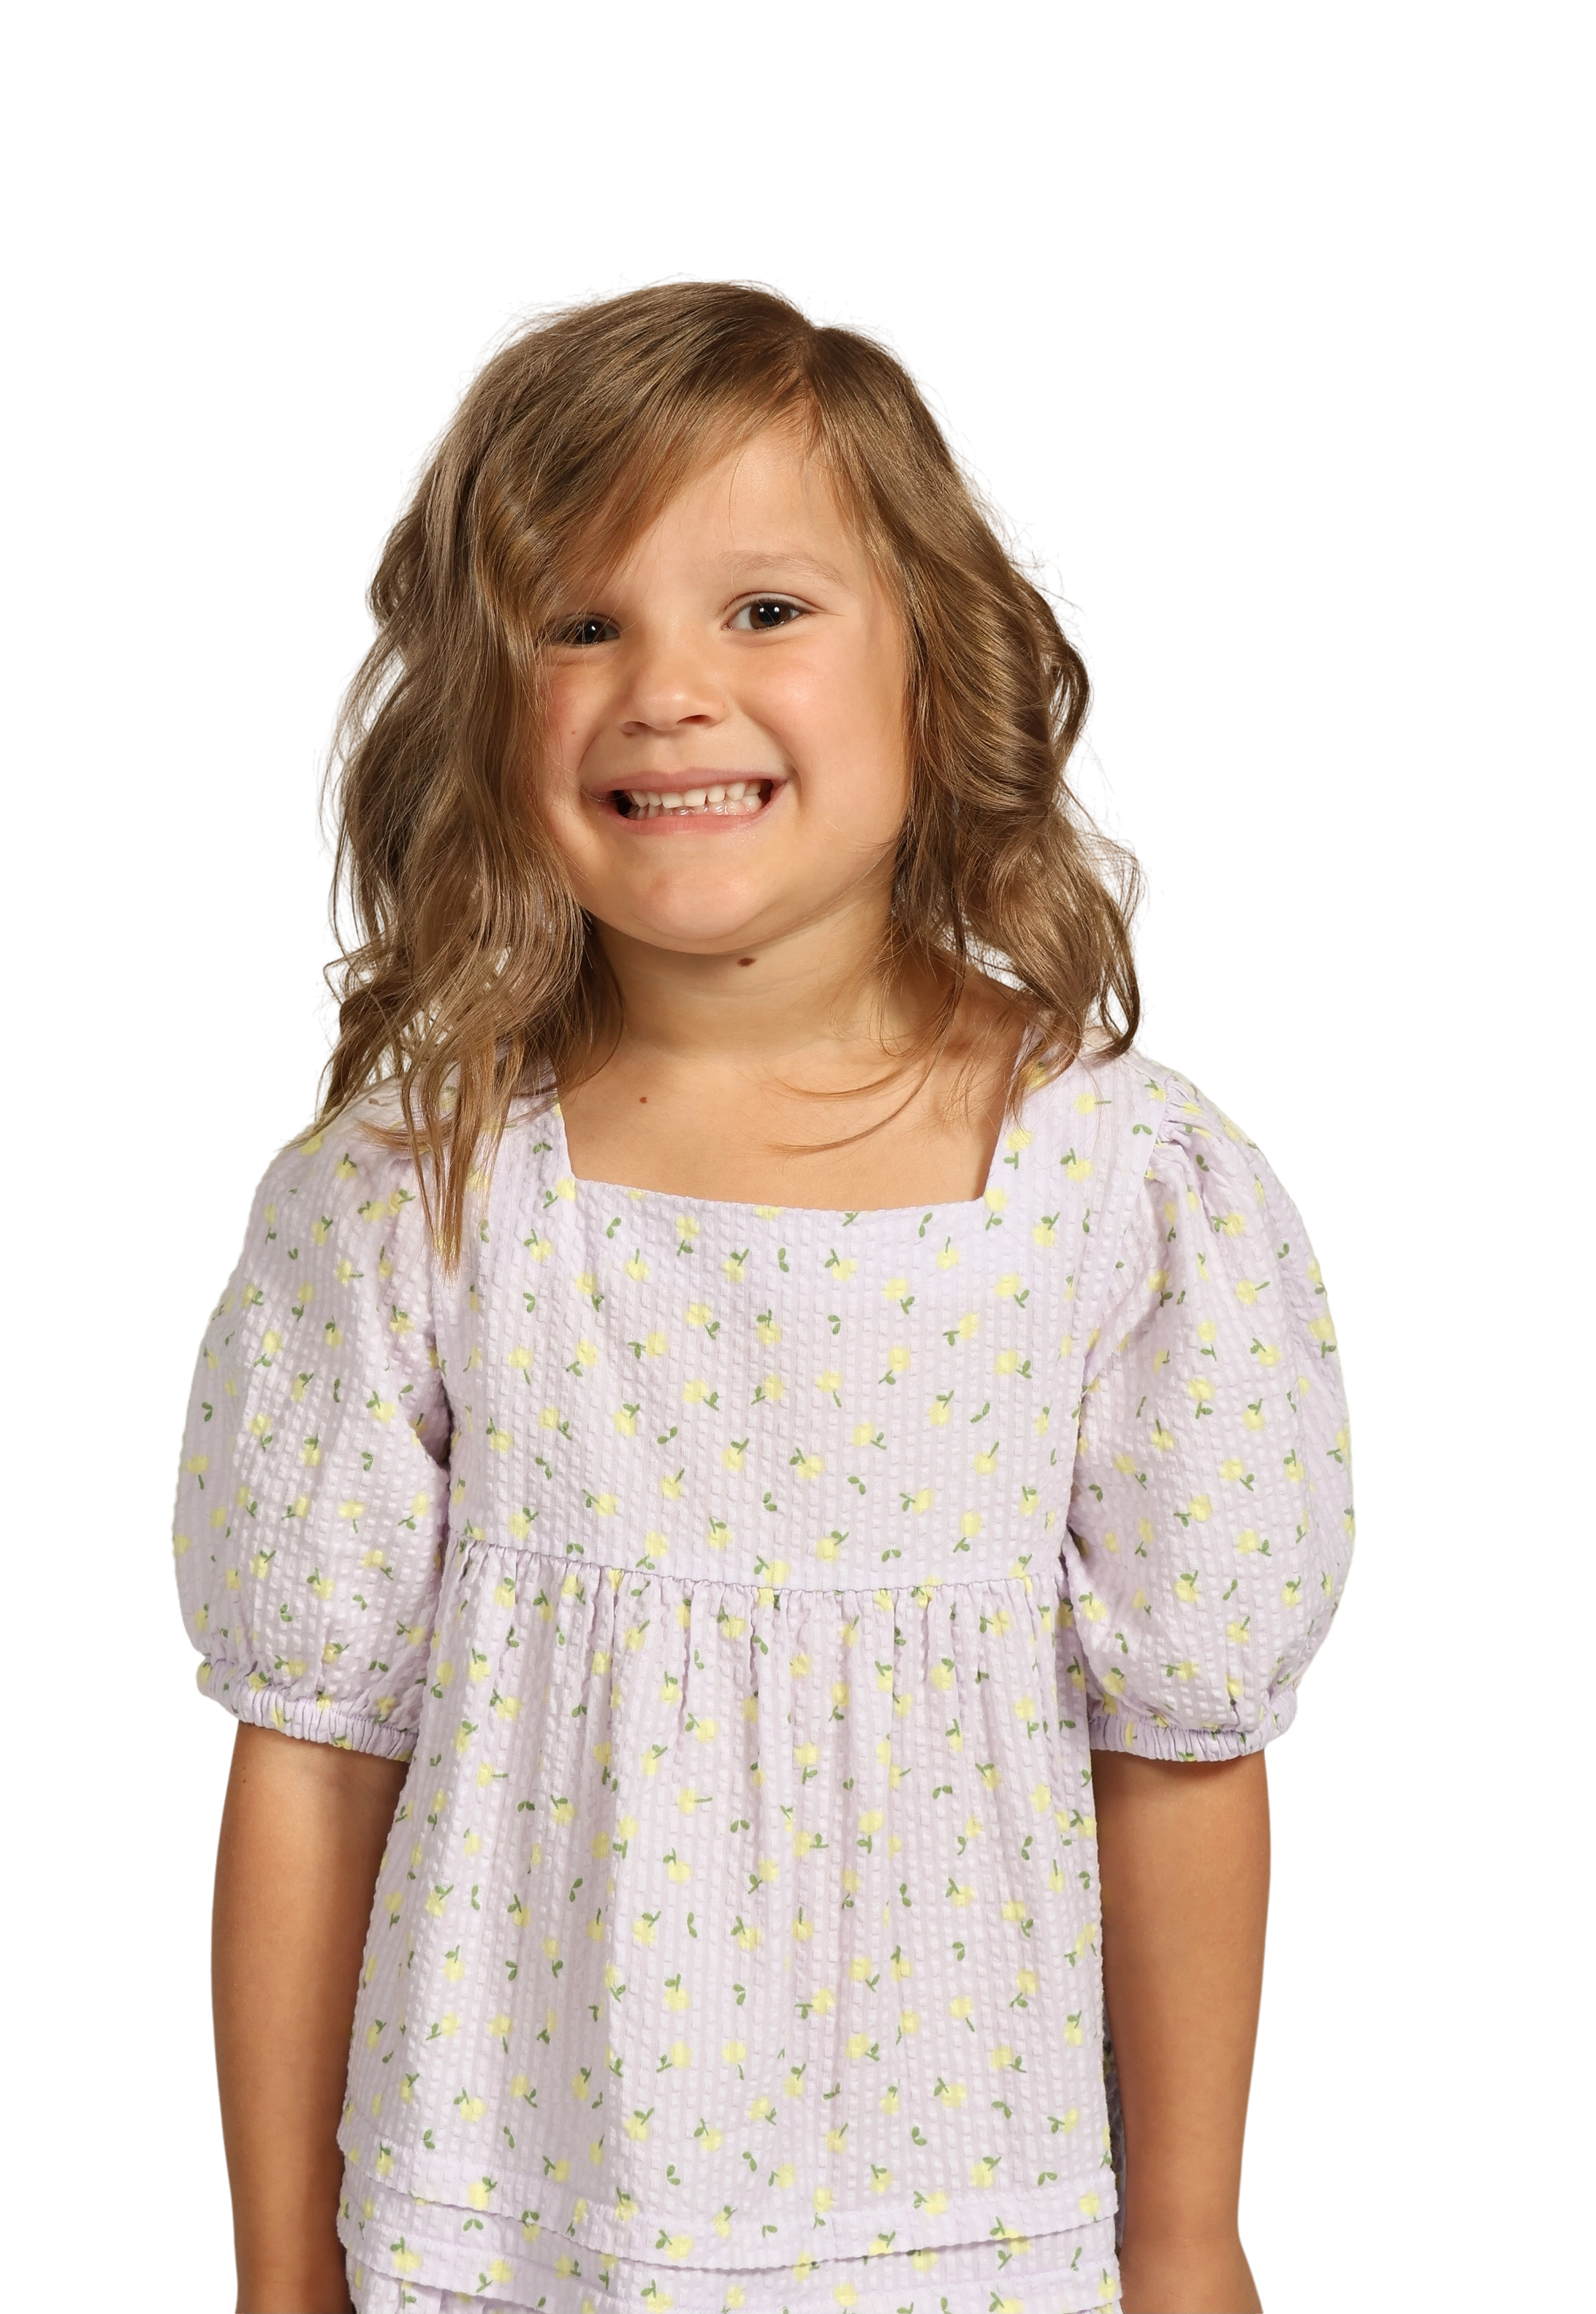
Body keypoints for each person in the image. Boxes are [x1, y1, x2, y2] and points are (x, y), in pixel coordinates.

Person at [172, 272, 1357, 2314]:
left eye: (766, 609)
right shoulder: (412, 1201)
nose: (669, 689)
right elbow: (309, 1760)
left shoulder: (1120, 1196)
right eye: (580, 625)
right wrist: (282, 2270)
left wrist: (1190, 2243)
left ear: (941, 669)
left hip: (975, 2231)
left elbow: (1182, 1755)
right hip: (510, 2226)